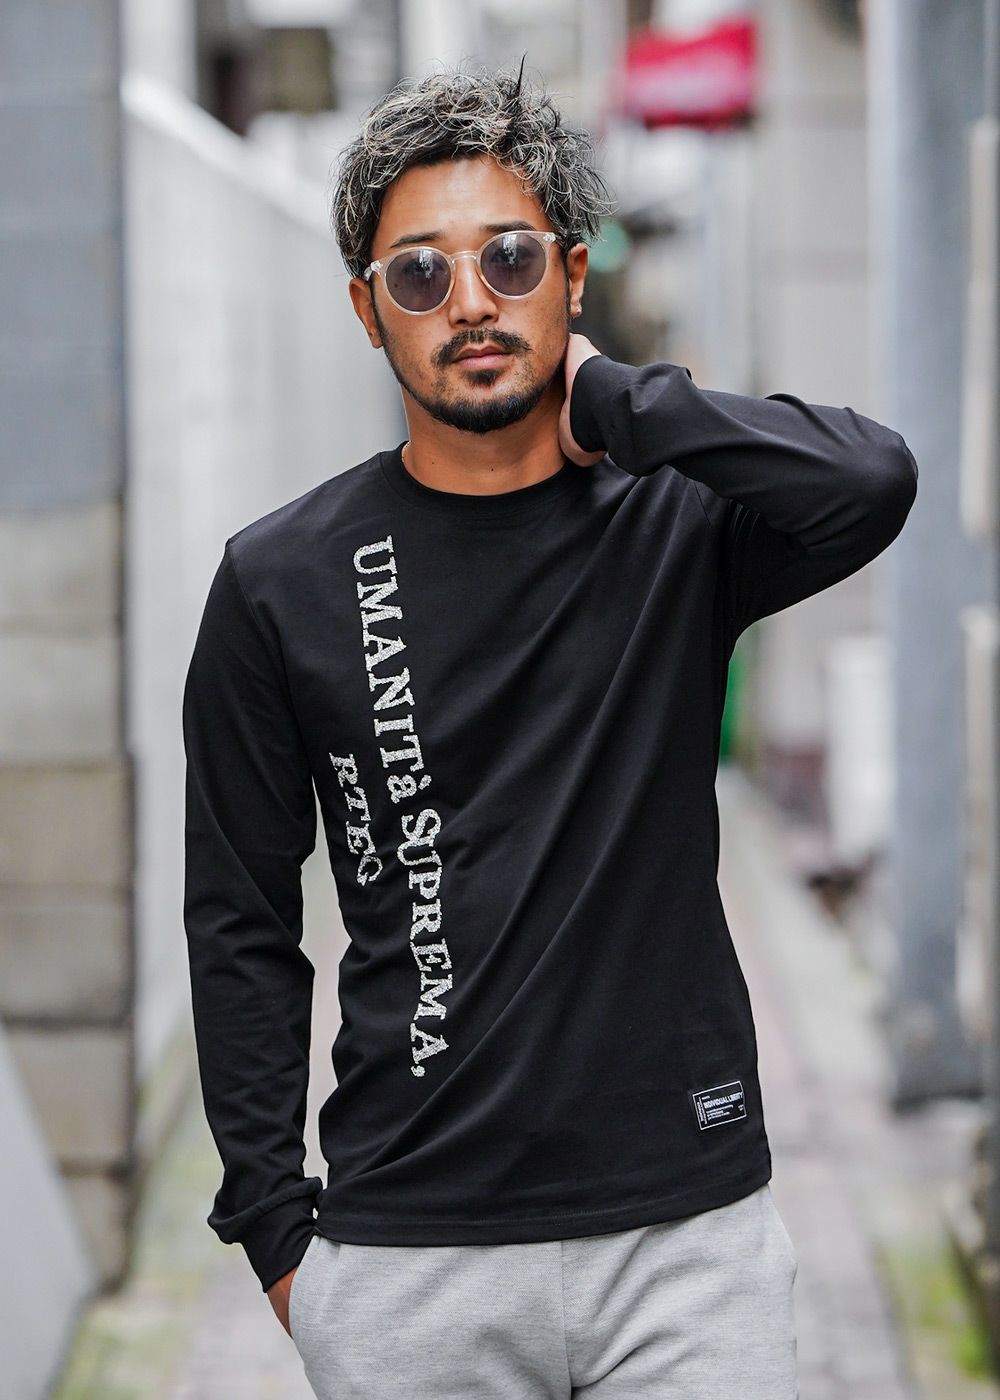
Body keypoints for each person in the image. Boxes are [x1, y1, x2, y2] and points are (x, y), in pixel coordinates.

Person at [181, 57, 918, 1399]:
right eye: (419, 273)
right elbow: (238, 917)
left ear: (572, 276)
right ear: (367, 311)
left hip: (685, 1246)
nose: (470, 300)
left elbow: (869, 478)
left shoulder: (676, 526)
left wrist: (621, 402)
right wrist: (278, 1231)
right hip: (412, 1256)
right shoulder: (280, 581)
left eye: (510, 258)